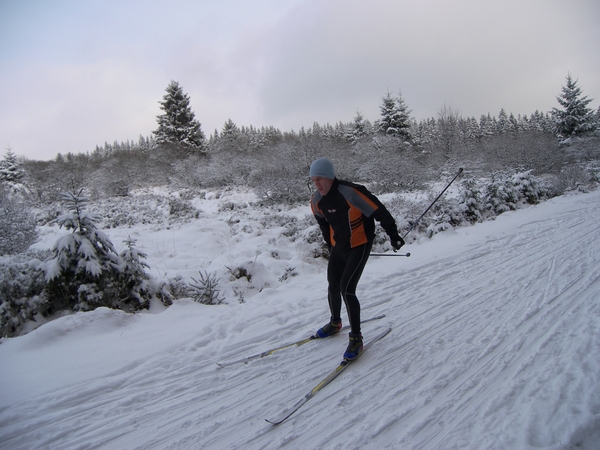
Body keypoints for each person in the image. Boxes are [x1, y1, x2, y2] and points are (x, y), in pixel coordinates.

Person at [309, 157, 404, 360]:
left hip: (360, 245)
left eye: (320, 179)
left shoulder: (351, 192)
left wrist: (393, 235)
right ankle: (335, 323)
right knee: (332, 285)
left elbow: (379, 211)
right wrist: (330, 243)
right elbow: (322, 222)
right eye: (313, 179)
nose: (317, 184)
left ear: (330, 177)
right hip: (338, 247)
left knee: (347, 289)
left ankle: (356, 338)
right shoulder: (316, 200)